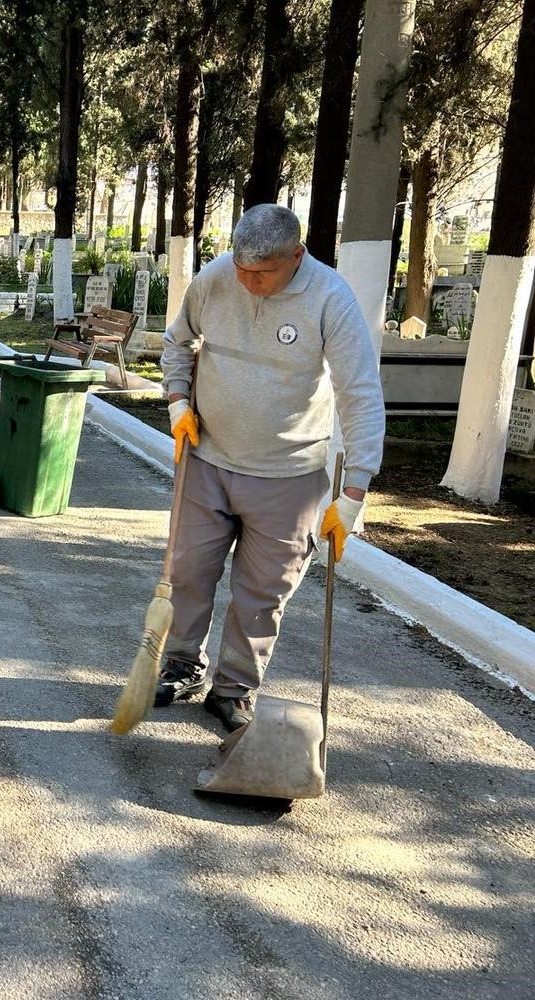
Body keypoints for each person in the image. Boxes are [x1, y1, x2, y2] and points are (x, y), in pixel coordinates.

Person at [158, 204, 384, 731]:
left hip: (289, 476)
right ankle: (182, 664)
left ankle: (235, 687)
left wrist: (354, 493)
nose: (247, 281)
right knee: (188, 571)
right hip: (207, 459)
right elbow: (178, 342)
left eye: (262, 272)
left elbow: (360, 394)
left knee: (263, 592)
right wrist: (177, 402)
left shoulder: (331, 298)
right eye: (241, 267)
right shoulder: (216, 279)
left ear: (297, 257)